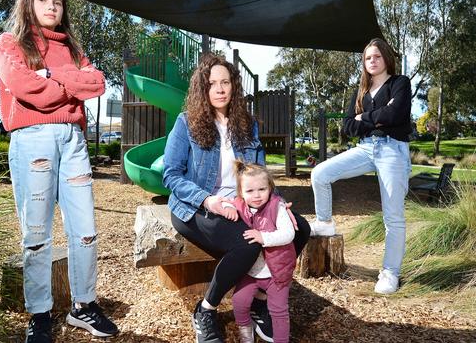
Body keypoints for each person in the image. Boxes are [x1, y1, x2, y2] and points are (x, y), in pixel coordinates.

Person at [0, 0, 118, 342]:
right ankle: (40, 314)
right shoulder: (9, 44)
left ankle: (84, 306)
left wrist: (54, 75)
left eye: (57, 2)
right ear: (27, 4)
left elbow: (96, 84)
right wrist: (68, 87)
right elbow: (28, 88)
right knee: (36, 234)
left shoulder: (72, 49)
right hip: (34, 142)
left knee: (86, 230)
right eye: (43, 0)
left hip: (73, 141)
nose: (51, 7)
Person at [163, 53, 310, 343]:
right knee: (246, 245)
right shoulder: (186, 123)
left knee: (299, 228)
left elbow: (260, 175)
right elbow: (171, 175)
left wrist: (277, 203)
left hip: (244, 205)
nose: (219, 89)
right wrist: (209, 201)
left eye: (225, 82)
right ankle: (205, 310)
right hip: (196, 206)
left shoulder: (247, 124)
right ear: (202, 90)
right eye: (212, 84)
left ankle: (257, 298)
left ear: (234, 87)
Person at [310, 38, 412, 294]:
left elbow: (396, 115)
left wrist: (363, 117)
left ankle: (390, 273)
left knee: (393, 217)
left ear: (386, 58)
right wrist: (373, 119)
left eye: (377, 56)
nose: (372, 61)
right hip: (365, 148)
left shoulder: (400, 83)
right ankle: (324, 222)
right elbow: (348, 126)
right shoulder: (361, 92)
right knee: (320, 173)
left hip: (393, 150)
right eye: (368, 58)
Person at [227, 160, 296, 343]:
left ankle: (282, 340)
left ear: (270, 188)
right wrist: (227, 208)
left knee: (278, 310)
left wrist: (263, 237)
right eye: (250, 191)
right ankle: (245, 329)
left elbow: (288, 234)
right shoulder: (239, 205)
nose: (257, 195)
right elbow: (228, 203)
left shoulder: (277, 207)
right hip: (251, 272)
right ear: (241, 192)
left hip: (276, 273)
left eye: (262, 189)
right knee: (239, 301)